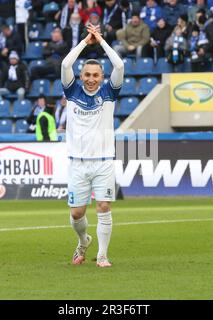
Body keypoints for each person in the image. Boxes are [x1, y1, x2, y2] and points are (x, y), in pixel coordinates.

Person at [61, 24, 124, 267]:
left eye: (95, 75)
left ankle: (103, 255)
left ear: (101, 77)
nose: (90, 79)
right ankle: (83, 240)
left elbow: (119, 65)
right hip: (77, 163)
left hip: (104, 161)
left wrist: (101, 41)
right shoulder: (72, 91)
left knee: (103, 206)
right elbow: (66, 65)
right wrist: (85, 43)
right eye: (87, 75)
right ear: (81, 76)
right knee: (77, 213)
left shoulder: (109, 93)